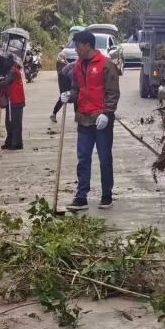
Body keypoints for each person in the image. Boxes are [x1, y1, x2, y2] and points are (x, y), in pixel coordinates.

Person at [61, 29, 121, 211]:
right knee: (83, 158)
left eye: (78, 46)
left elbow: (113, 92)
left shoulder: (106, 65)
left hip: (102, 119)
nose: (76, 49)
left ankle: (106, 195)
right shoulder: (78, 66)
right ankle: (81, 197)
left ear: (88, 45)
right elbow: (76, 88)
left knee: (104, 158)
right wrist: (69, 96)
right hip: (84, 118)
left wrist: (107, 113)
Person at [0, 54, 25, 150]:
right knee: (9, 123)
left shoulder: (13, 71)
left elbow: (6, 82)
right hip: (12, 100)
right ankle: (10, 142)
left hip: (16, 100)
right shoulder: (11, 70)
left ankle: (16, 144)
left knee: (15, 124)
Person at [51, 53, 72, 124]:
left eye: (64, 57)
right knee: (62, 98)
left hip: (68, 80)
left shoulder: (66, 62)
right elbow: (62, 72)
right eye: (63, 57)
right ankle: (54, 114)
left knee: (76, 96)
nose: (64, 59)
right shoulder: (59, 62)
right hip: (62, 81)